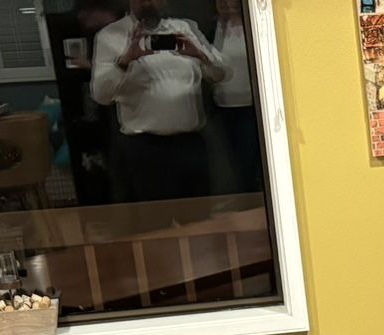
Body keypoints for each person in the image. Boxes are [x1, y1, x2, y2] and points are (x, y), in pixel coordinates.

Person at [89, 0, 229, 204]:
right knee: (153, 224)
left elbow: (222, 74)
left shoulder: (186, 28)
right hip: (145, 150)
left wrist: (202, 56)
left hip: (190, 145)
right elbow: (100, 95)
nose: (147, 2)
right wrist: (125, 61)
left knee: (198, 220)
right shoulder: (110, 37)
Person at [207, 0, 262, 198]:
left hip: (251, 104)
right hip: (224, 105)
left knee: (250, 160)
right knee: (234, 163)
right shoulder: (213, 27)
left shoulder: (255, 24)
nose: (227, 4)